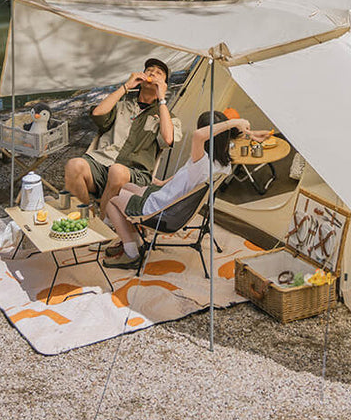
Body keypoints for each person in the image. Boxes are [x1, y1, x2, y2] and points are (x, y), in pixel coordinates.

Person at [102, 110, 252, 270]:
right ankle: (132, 238)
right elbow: (186, 176)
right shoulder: (223, 164)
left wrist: (234, 122)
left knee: (112, 200)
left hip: (160, 211)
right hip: (167, 200)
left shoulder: (201, 160)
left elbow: (198, 135)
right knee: (126, 186)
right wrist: (161, 183)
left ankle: (132, 253)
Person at [64, 58, 182, 219]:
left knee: (117, 171)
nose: (152, 73)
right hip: (102, 165)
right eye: (149, 70)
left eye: (159, 73)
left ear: (164, 84)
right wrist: (126, 86)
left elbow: (168, 139)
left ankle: (104, 226)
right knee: (74, 165)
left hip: (133, 174)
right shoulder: (121, 106)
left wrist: (162, 99)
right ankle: (87, 218)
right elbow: (98, 113)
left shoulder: (166, 117)